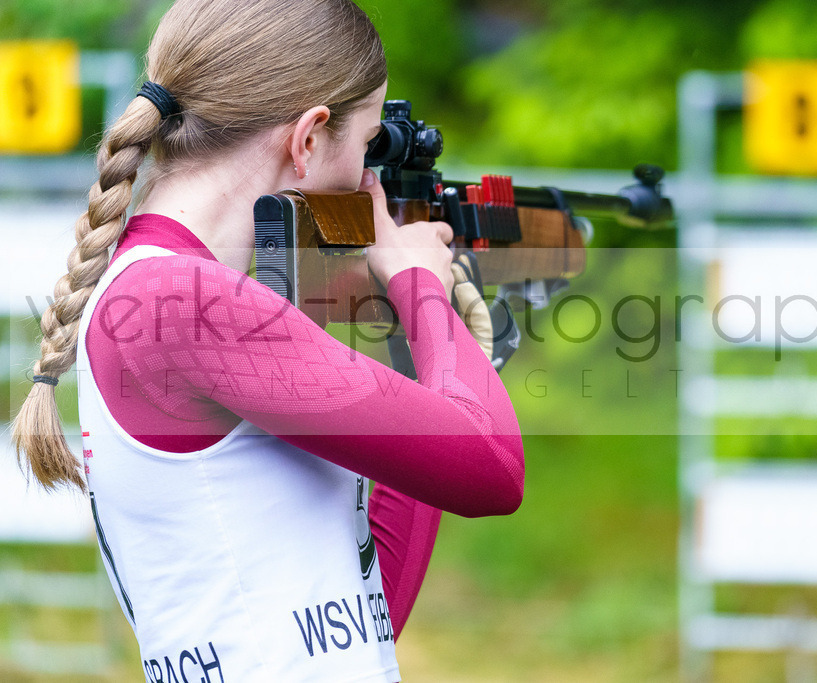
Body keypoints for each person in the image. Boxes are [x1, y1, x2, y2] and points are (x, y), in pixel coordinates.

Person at [10, 1, 524, 681]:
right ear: (307, 138)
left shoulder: (162, 287)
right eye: (368, 145)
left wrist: (431, 347)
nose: (366, 177)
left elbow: (362, 616)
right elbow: (493, 470)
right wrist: (418, 283)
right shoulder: (182, 301)